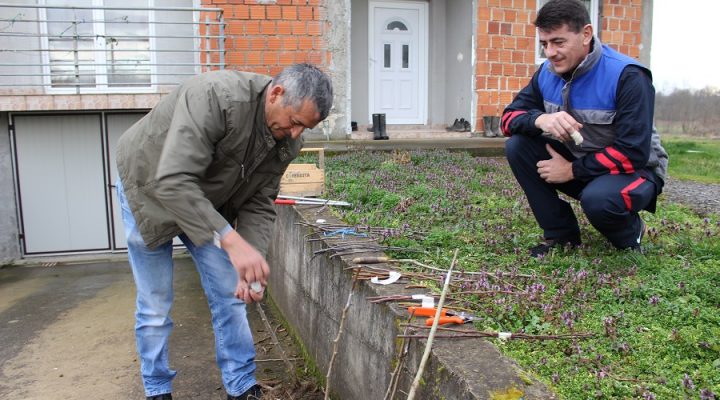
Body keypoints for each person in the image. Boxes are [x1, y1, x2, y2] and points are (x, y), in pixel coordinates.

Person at [115, 63, 333, 399]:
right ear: (276, 94)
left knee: (232, 293)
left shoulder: (286, 142)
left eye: (304, 128)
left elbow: (260, 201)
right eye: (295, 122)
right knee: (155, 305)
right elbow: (172, 181)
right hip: (148, 189)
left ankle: (241, 385)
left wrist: (253, 258)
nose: (295, 134)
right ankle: (157, 389)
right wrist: (232, 241)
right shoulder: (216, 97)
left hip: (205, 201)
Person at [501, 0, 668, 257]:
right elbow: (507, 120)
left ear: (586, 34)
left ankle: (631, 232)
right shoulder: (546, 74)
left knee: (599, 201)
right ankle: (561, 236)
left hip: (637, 171)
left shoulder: (629, 76)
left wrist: (571, 170)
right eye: (544, 44)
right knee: (518, 145)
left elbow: (632, 152)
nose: (550, 53)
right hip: (585, 164)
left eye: (558, 42)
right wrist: (540, 120)